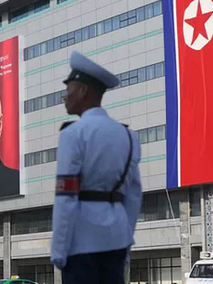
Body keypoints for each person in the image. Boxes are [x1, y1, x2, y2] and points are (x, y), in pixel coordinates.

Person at [50, 51, 143, 284]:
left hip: (81, 245)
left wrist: (59, 251)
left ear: (82, 90)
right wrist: (126, 241)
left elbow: (66, 198)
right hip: (117, 241)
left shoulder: (73, 134)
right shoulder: (128, 136)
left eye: (69, 88)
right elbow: (133, 197)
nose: (65, 96)